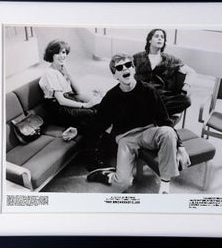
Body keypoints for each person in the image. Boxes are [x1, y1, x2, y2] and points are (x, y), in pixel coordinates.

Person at [62, 54, 191, 195]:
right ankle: (108, 175)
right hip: (126, 138)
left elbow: (164, 120)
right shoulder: (111, 96)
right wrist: (78, 130)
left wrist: (180, 147)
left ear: (134, 69)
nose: (125, 69)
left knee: (167, 131)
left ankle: (165, 185)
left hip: (148, 132)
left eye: (128, 65)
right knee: (122, 184)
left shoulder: (149, 90)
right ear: (115, 75)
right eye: (119, 67)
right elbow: (97, 122)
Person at [131, 28, 193, 117]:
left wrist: (186, 86)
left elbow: (191, 72)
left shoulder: (170, 59)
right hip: (141, 93)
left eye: (162, 37)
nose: (160, 38)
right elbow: (126, 70)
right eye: (156, 36)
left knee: (186, 100)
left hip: (160, 96)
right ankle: (155, 114)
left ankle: (148, 113)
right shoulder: (137, 57)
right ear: (149, 40)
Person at [37, 39, 99, 125]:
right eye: (58, 53)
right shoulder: (50, 73)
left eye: (63, 52)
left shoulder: (62, 69)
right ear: (51, 55)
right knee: (91, 113)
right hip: (58, 108)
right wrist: (84, 105)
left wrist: (68, 75)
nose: (62, 56)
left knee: (98, 107)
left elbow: (77, 91)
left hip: (68, 100)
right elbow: (61, 100)